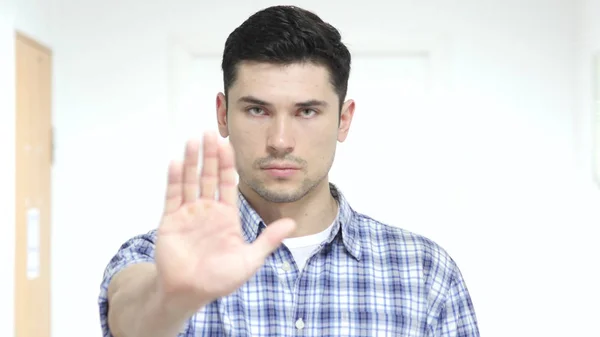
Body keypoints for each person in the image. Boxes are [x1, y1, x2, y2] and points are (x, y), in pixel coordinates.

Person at [98, 5, 480, 337]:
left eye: (307, 111)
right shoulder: (163, 257)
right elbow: (130, 317)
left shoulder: (426, 272)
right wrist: (168, 298)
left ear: (343, 120)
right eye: (257, 110)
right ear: (223, 114)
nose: (280, 140)